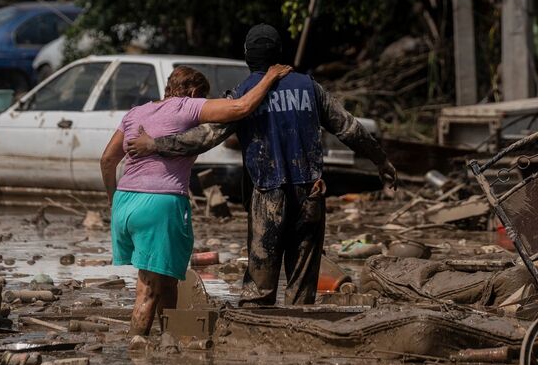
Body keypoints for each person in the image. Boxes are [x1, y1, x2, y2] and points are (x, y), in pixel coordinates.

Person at [127, 24, 397, 307]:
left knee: (258, 288)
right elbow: (349, 128)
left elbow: (205, 137)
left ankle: (256, 330)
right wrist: (381, 160)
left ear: (248, 56)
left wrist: (155, 144)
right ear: (279, 53)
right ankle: (301, 328)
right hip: (310, 193)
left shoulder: (245, 94)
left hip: (268, 194)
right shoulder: (310, 87)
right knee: (302, 284)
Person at [99, 63, 292, 336]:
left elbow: (107, 160)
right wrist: (270, 77)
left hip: (125, 203)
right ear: (192, 91)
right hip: (160, 204)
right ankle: (136, 348)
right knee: (148, 289)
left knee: (167, 279)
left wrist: (113, 200)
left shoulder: (136, 112)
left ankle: (169, 339)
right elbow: (241, 108)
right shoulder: (187, 107)